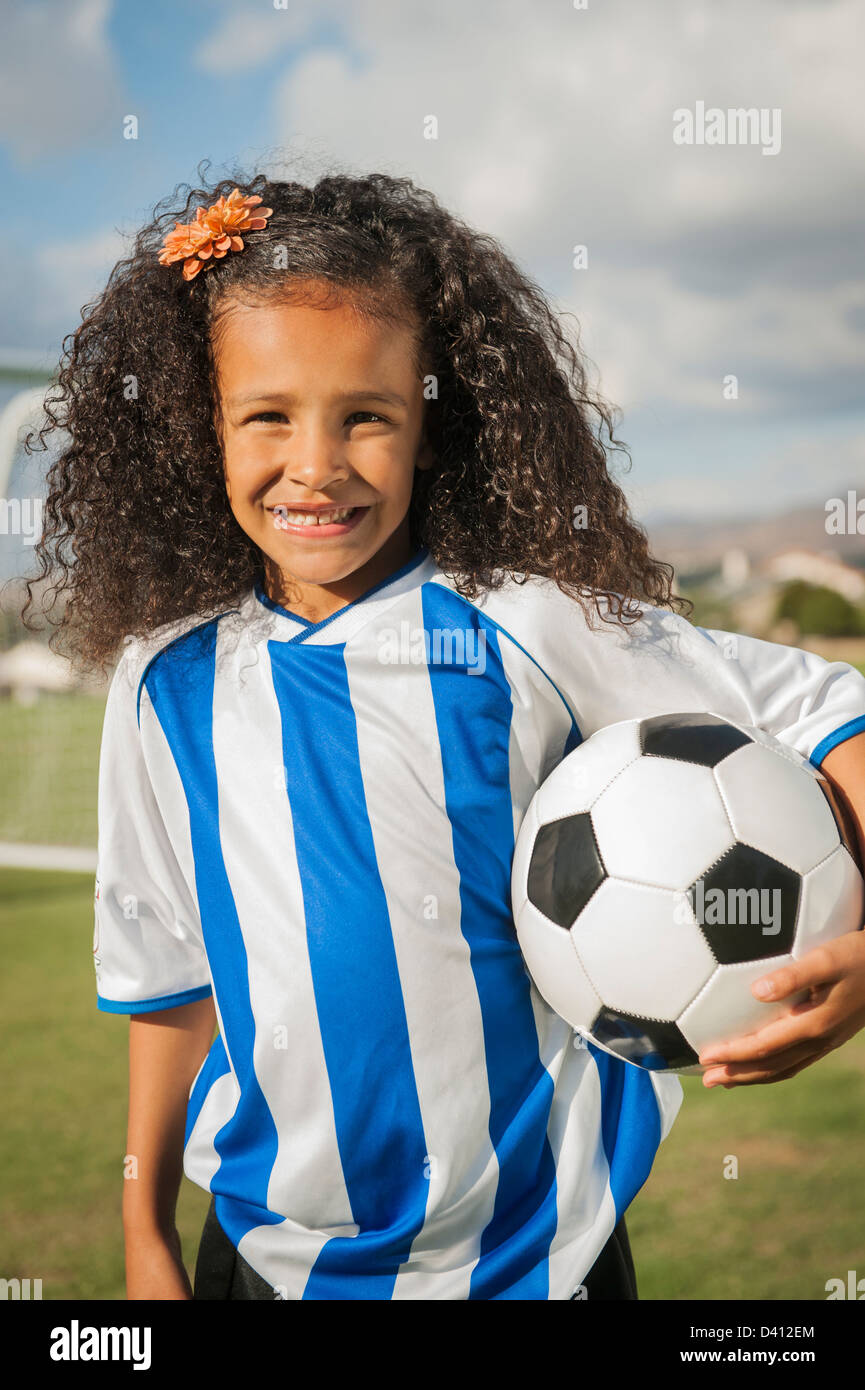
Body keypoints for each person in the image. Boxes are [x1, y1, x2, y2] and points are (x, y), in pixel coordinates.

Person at [25, 167, 865, 1301]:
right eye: (267, 415)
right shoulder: (163, 680)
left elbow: (825, 708)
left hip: (537, 1264)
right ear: (199, 429)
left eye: (365, 416)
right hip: (265, 1264)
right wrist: (141, 1229)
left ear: (431, 426)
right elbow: (167, 978)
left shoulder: (527, 622)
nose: (314, 465)